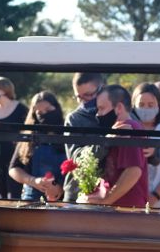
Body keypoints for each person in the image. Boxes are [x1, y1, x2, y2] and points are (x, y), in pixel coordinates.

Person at [85, 84, 148, 208]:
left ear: (119, 107)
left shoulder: (127, 128)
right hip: (121, 209)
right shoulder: (119, 130)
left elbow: (133, 171)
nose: (98, 114)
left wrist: (105, 202)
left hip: (126, 210)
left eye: (102, 108)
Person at [9, 91, 66, 202]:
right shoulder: (29, 137)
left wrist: (61, 187)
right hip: (32, 198)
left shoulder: (67, 134)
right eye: (39, 112)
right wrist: (33, 181)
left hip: (64, 199)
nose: (44, 114)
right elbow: (13, 169)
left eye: (48, 110)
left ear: (57, 108)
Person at [63, 72, 106, 202]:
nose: (84, 101)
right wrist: (107, 142)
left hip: (113, 192)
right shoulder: (74, 119)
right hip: (80, 193)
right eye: (79, 97)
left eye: (88, 95)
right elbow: (75, 158)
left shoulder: (120, 111)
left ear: (102, 88)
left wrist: (154, 151)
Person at [0, 76, 28, 199]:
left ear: (4, 89)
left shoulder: (21, 109)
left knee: (14, 195)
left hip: (14, 159)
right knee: (1, 196)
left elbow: (28, 131)